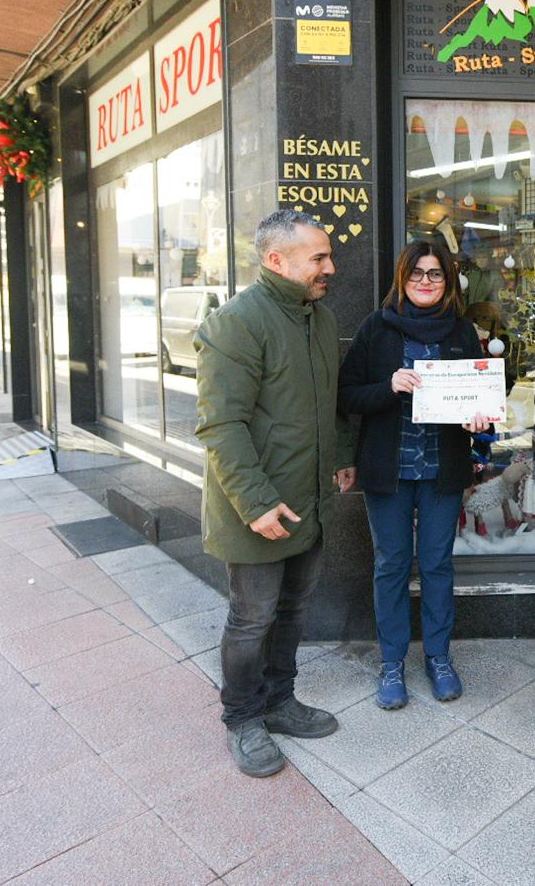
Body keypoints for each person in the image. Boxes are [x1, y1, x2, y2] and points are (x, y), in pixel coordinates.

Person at [195, 210, 353, 778]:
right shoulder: (235, 324)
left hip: (308, 500)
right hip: (257, 508)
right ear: (275, 260)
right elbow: (220, 426)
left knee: (292, 609)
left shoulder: (319, 318)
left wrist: (341, 457)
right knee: (251, 618)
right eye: (318, 258)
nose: (330, 268)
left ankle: (280, 702)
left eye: (328, 256)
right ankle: (242, 719)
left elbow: (328, 403)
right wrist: (257, 503)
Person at [339, 240, 491, 710]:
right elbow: (347, 395)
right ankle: (392, 663)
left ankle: (439, 658)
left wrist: (479, 418)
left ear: (448, 282)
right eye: (417, 273)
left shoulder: (462, 331)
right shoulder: (376, 329)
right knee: (390, 565)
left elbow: (481, 396)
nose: (426, 282)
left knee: (438, 565)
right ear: (402, 278)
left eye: (436, 274)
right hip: (390, 470)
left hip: (442, 469)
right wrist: (387, 386)